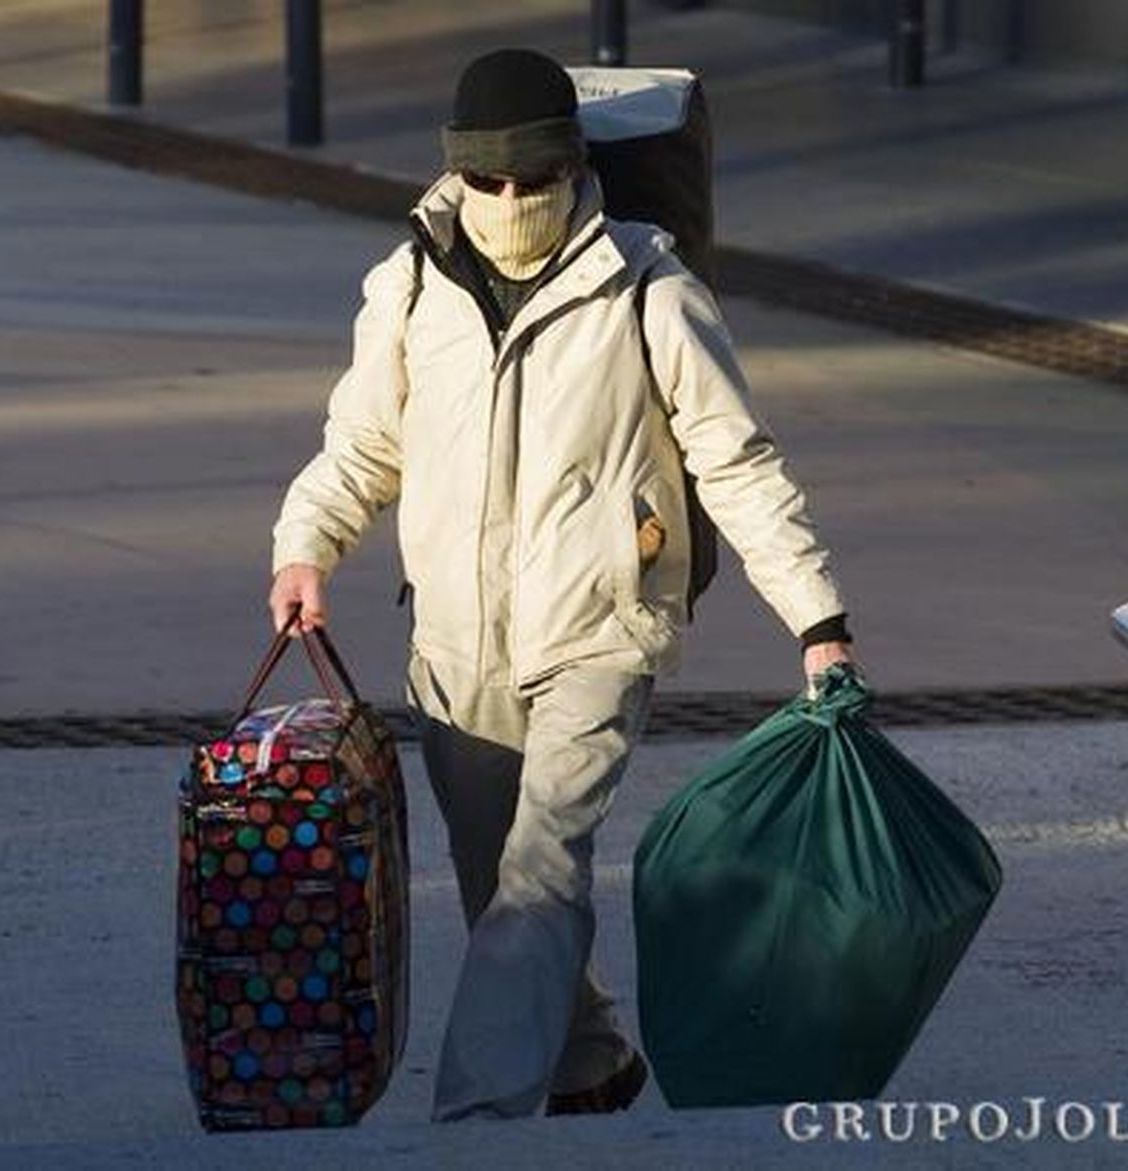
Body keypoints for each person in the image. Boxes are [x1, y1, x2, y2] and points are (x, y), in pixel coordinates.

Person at [269, 47, 857, 1122]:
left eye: (529, 179)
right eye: (485, 181)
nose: (506, 202)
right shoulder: (409, 286)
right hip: (452, 636)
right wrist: (305, 546)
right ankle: (589, 1061)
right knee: (499, 880)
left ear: (570, 167)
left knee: (543, 866)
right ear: (457, 171)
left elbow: (735, 460)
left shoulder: (647, 286)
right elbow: (361, 445)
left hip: (600, 629)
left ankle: (475, 1119)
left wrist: (816, 617)